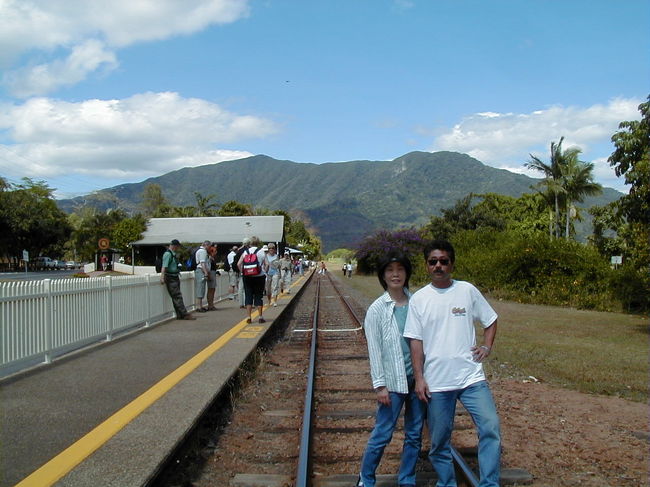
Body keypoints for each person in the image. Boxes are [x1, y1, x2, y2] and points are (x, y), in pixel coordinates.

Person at [404, 239, 500, 487]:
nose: (438, 266)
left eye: (443, 261)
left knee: (490, 427)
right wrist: (420, 378)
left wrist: (486, 347)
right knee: (439, 442)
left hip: (471, 379)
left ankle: (489, 483)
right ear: (426, 266)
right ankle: (447, 483)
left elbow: (490, 319)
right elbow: (415, 341)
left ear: (451, 264)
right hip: (437, 382)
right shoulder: (420, 299)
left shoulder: (467, 290)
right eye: (433, 261)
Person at [356, 251, 425, 487]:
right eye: (390, 270)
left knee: (414, 435)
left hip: (417, 380)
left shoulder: (418, 303)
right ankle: (366, 479)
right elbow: (374, 350)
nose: (396, 274)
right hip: (394, 382)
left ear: (407, 273)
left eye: (400, 270)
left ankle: (407, 479)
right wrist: (380, 385)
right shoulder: (377, 309)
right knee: (383, 433)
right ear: (383, 276)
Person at [159, 239, 195, 320]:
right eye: (178, 247)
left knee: (176, 296)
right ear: (175, 246)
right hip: (171, 277)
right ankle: (184, 314)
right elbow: (164, 266)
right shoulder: (168, 254)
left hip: (174, 276)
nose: (178, 248)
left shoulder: (172, 254)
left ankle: (180, 314)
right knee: (177, 296)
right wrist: (162, 277)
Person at [237, 236, 266, 324]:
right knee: (258, 295)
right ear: (258, 243)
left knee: (248, 295)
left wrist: (243, 272)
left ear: (249, 243)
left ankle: (249, 317)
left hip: (247, 277)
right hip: (259, 276)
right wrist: (265, 272)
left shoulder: (246, 252)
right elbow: (267, 264)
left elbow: (239, 264)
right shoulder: (261, 252)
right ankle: (260, 316)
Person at [194, 240, 211, 313]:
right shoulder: (203, 252)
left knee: (201, 288)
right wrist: (206, 272)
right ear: (206, 245)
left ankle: (200, 306)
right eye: (209, 246)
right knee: (200, 288)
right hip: (201, 270)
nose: (209, 248)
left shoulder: (200, 251)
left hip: (200, 270)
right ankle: (199, 306)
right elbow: (202, 263)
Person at [205, 242, 219, 311]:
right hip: (211, 273)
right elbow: (208, 267)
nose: (216, 253)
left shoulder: (211, 258)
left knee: (212, 289)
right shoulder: (209, 258)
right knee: (211, 289)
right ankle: (210, 305)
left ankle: (211, 304)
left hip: (213, 272)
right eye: (214, 251)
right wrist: (208, 274)